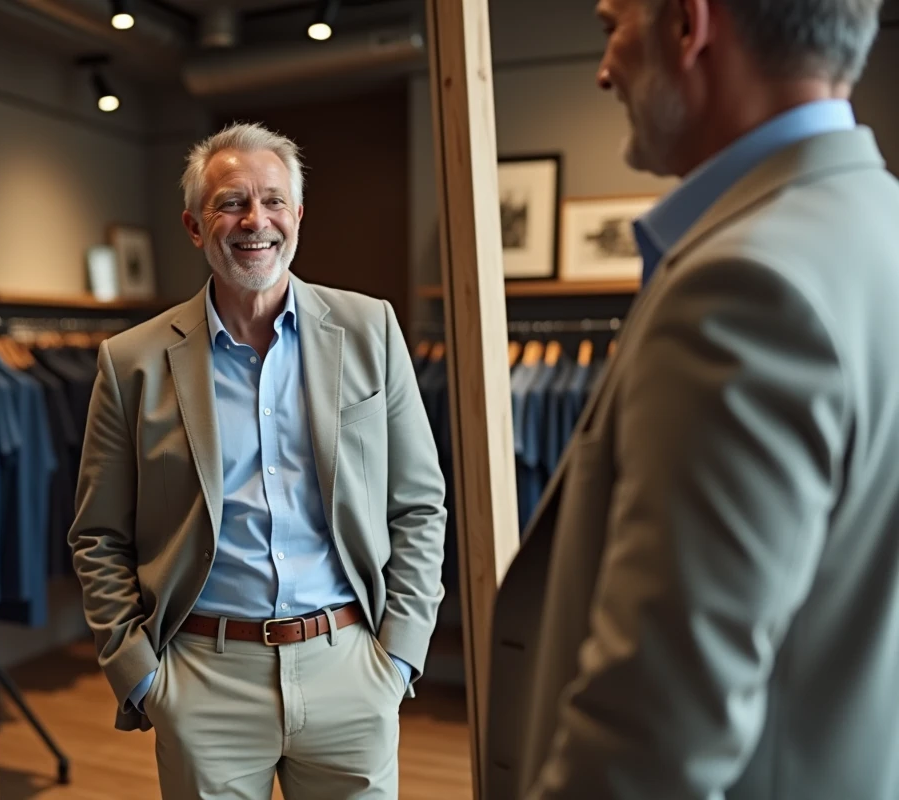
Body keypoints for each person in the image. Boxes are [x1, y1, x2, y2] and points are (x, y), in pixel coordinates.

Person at [488, 1, 899, 799]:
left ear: (688, 25)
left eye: (611, 26)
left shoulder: (742, 288)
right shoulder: (877, 228)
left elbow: (654, 733)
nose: (605, 70)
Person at [68, 121, 447, 798]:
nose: (255, 221)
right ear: (193, 225)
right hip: (203, 677)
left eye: (273, 201)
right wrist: (142, 676)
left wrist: (399, 658)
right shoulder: (131, 362)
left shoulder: (371, 330)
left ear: (298, 216)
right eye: (231, 203)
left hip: (350, 666)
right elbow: (98, 535)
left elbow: (418, 503)